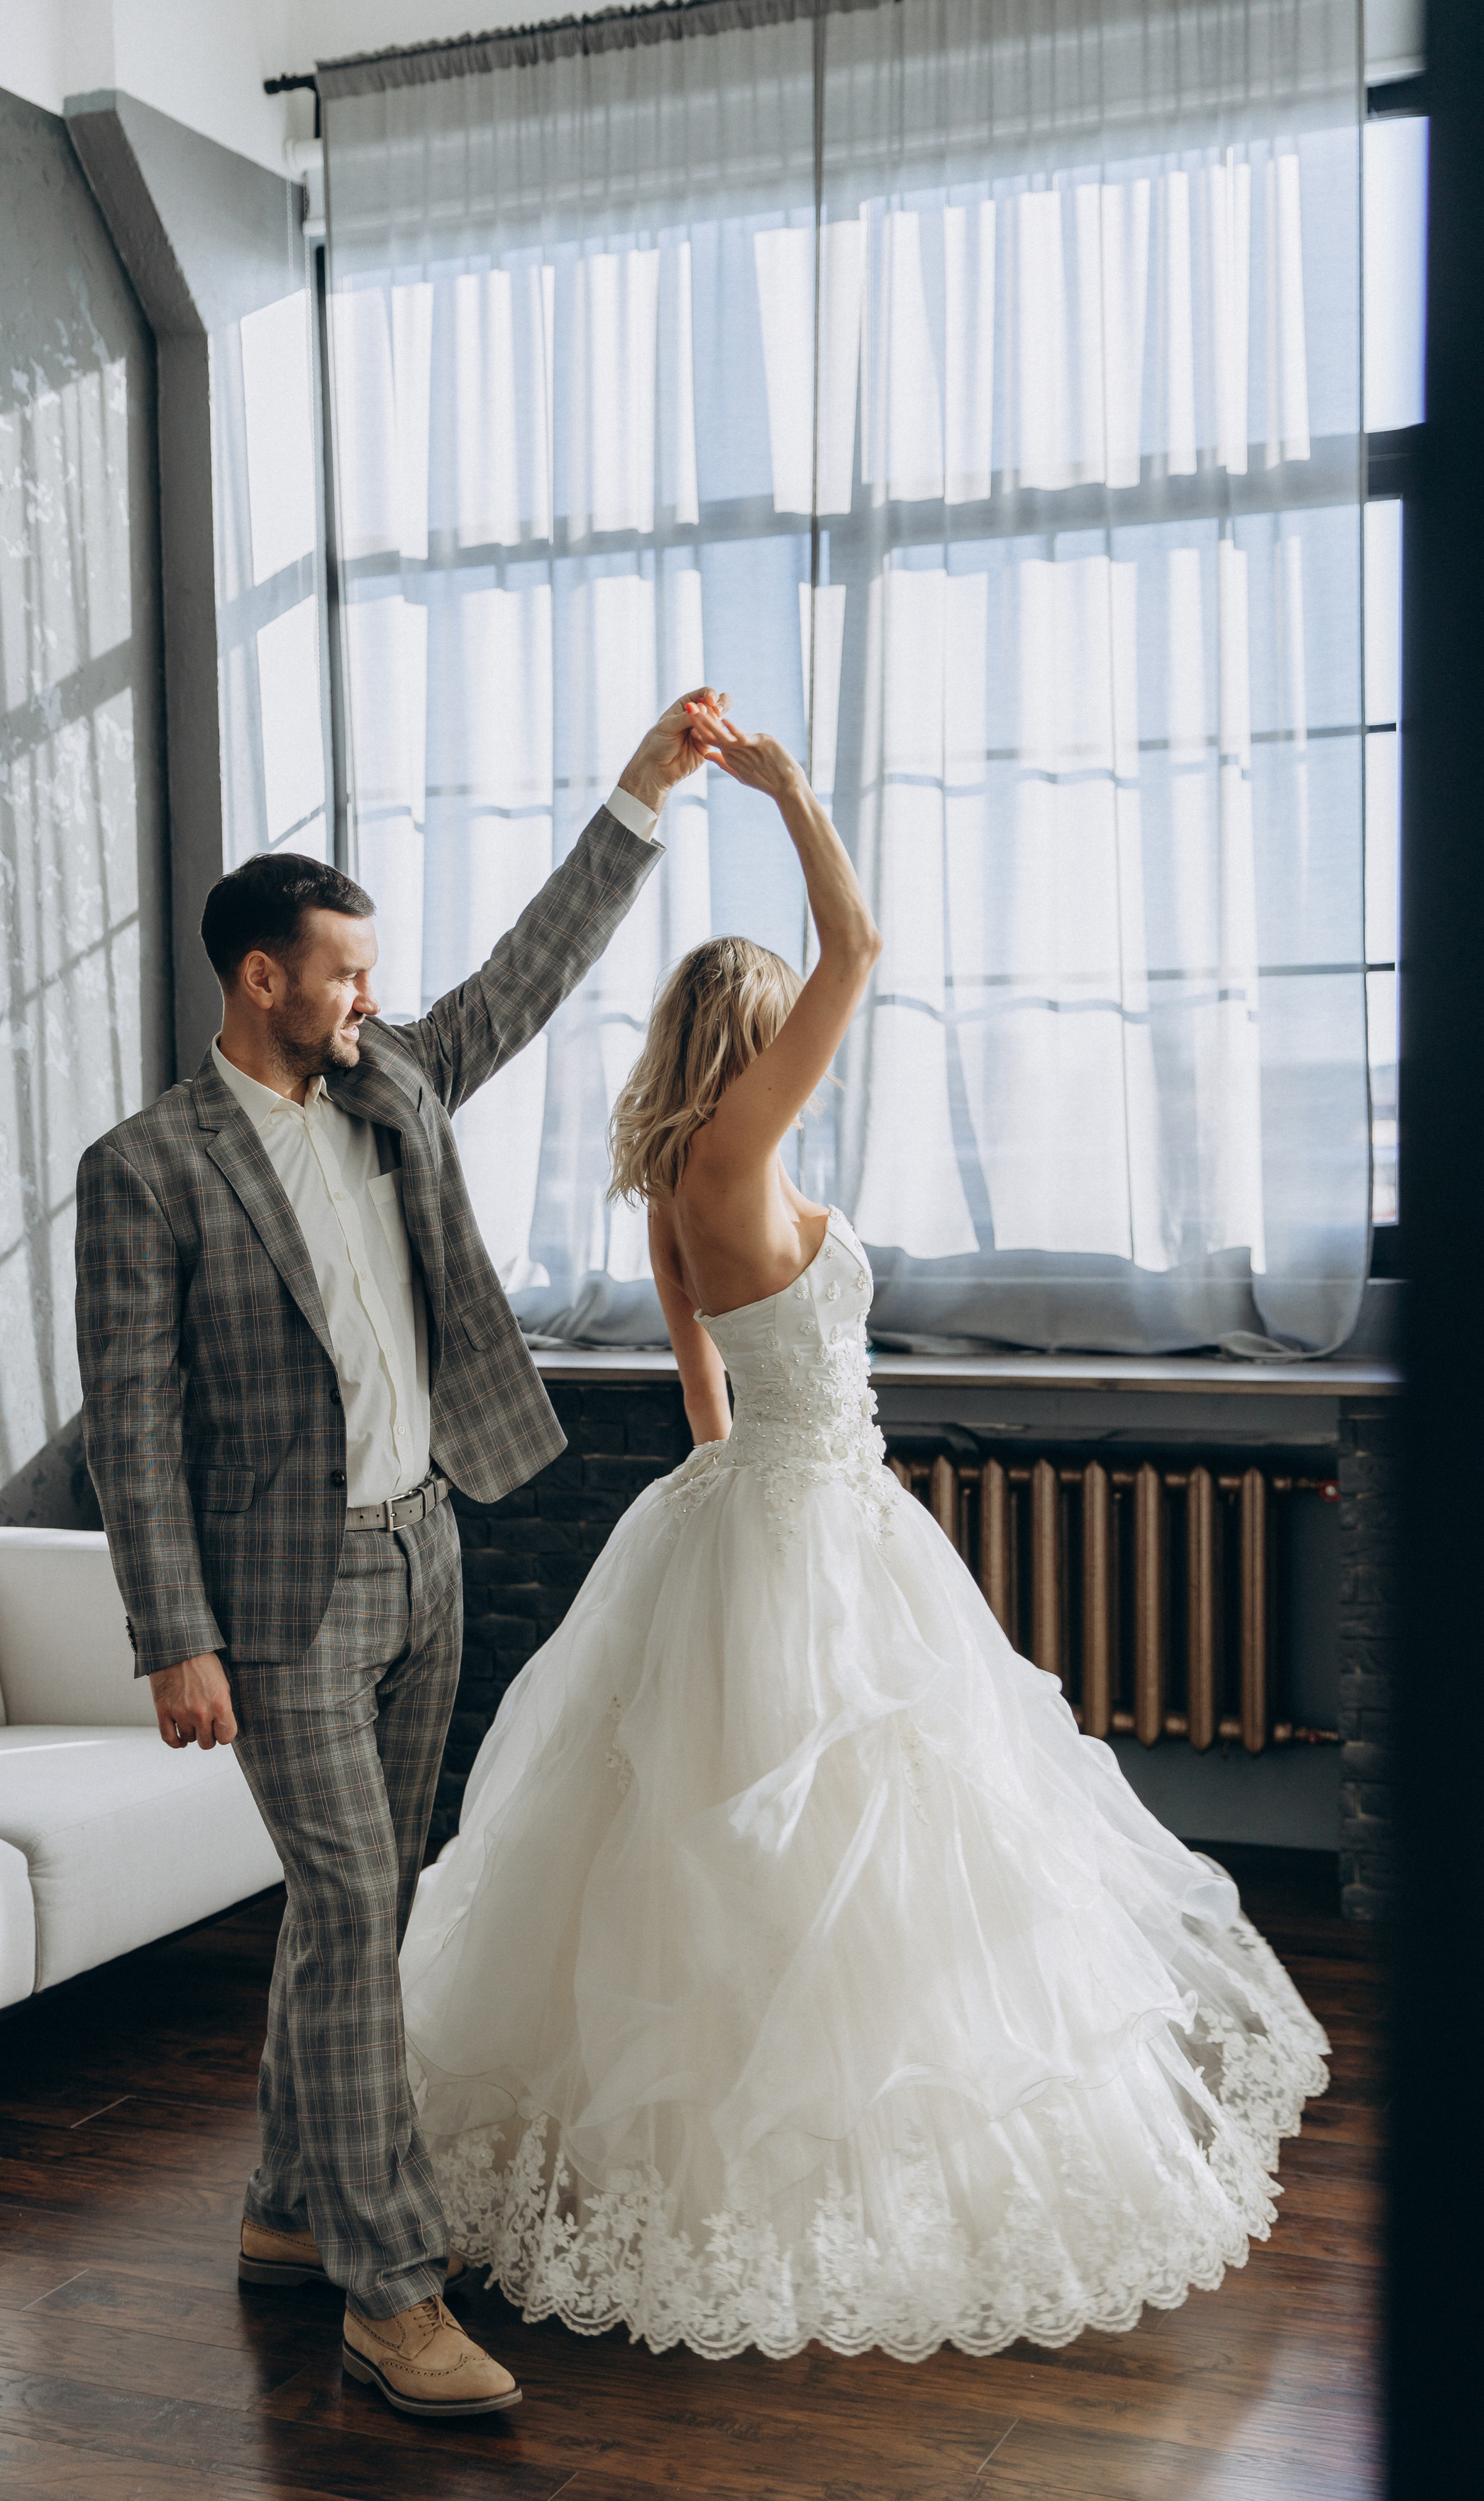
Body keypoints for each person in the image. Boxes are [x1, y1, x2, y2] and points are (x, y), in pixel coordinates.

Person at [397, 703, 1330, 2363]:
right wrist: (783, 792)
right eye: (783, 1037)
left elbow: (706, 1399)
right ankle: (820, 2192)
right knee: (847, 1852)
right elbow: (863, 941)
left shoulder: (678, 1183)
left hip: (757, 1511)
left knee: (733, 1863)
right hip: (814, 1525)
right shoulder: (746, 1151)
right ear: (755, 1042)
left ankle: (689, 2180)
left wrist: (742, 1504)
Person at [74, 693, 719, 2419]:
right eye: (340, 971)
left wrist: (638, 798)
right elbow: (128, 1424)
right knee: (356, 1904)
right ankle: (387, 2291)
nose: (368, 995)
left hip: (424, 1551)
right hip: (277, 1602)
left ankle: (290, 2206)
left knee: (359, 1908)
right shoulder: (147, 1170)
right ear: (258, 978)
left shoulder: (390, 1087)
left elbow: (522, 976)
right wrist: (171, 1637)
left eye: (371, 973)